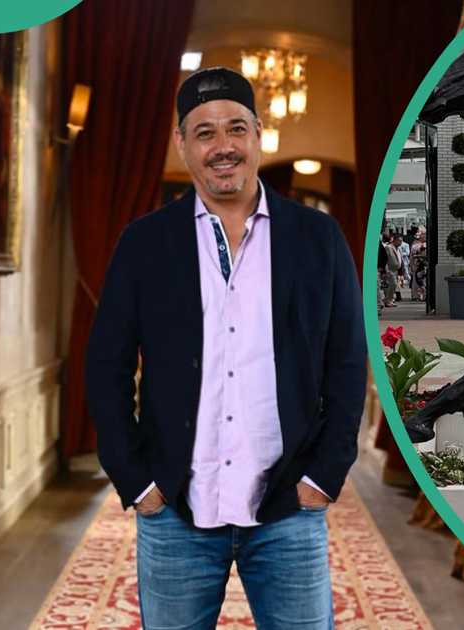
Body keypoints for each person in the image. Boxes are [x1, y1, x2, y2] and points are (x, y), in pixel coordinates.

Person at [85, 66, 366, 629]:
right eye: (205, 132)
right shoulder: (144, 244)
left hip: (288, 511)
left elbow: (347, 361)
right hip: (176, 514)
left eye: (236, 128)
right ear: (181, 143)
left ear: (258, 133)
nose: (223, 146)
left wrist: (323, 476)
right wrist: (137, 482)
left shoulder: (318, 238)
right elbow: (105, 366)